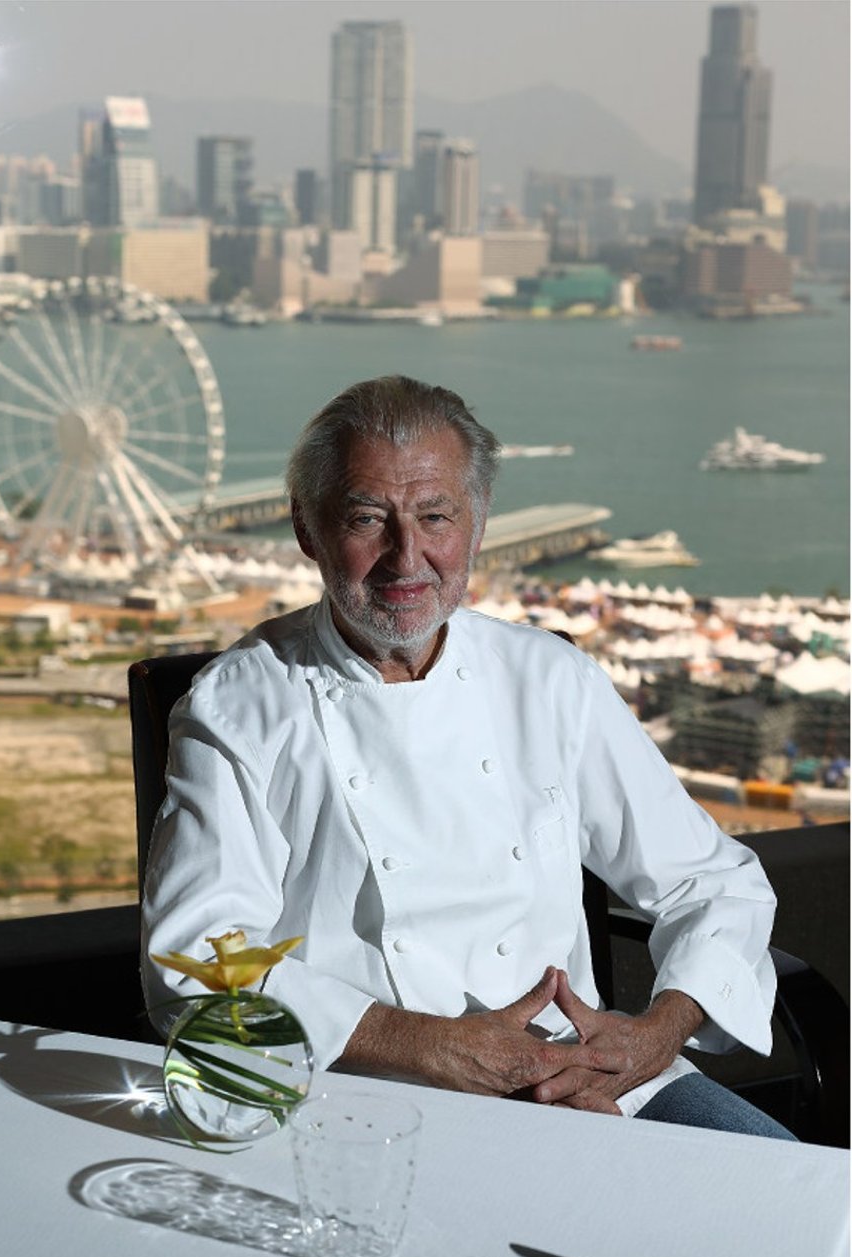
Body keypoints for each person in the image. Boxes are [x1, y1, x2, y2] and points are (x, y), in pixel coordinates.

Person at [142, 375, 793, 1138]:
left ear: (477, 524)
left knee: (802, 1202)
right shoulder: (239, 705)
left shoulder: (550, 679)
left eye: (436, 516)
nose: (405, 558)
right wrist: (432, 1047)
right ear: (306, 528)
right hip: (354, 1094)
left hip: (579, 1076)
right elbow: (198, 962)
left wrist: (648, 1039)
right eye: (366, 519)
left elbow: (714, 884)